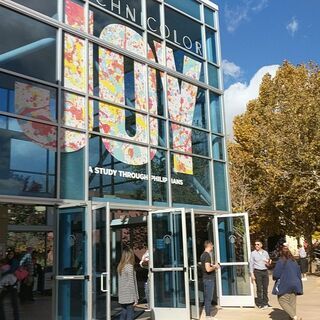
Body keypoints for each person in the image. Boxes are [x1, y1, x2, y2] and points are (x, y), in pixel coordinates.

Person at [272, 243, 303, 320]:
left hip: (285, 283)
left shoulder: (281, 260)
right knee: (292, 303)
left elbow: (276, 274)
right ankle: (292, 318)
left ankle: (294, 317)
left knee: (282, 300)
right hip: (296, 283)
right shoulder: (294, 261)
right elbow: (299, 273)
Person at [249, 240, 272, 309]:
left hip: (265, 271)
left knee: (265, 288)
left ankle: (265, 302)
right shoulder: (253, 253)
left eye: (258, 244)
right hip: (257, 272)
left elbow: (268, 263)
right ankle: (260, 303)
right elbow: (251, 264)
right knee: (259, 288)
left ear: (261, 245)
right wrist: (252, 274)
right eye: (255, 244)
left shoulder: (265, 253)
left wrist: (269, 263)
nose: (256, 246)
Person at [200, 240, 220, 320]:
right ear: (209, 246)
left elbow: (206, 266)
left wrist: (212, 265)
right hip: (209, 279)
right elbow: (208, 269)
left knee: (207, 298)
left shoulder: (202, 255)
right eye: (212, 245)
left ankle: (208, 315)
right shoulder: (207, 255)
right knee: (209, 298)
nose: (213, 247)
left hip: (205, 279)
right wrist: (215, 267)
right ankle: (208, 316)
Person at [117, 248, 139, 320]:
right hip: (129, 296)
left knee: (123, 313)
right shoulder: (129, 267)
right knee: (130, 315)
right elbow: (131, 284)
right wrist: (135, 298)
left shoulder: (120, 267)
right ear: (130, 256)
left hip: (122, 295)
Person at [0, 249, 20, 320]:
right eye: (9, 254)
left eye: (12, 254)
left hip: (12, 285)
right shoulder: (6, 261)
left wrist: (3, 273)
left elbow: (12, 270)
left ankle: (16, 318)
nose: (10, 255)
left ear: (14, 255)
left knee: (14, 303)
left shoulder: (15, 261)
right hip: (7, 285)